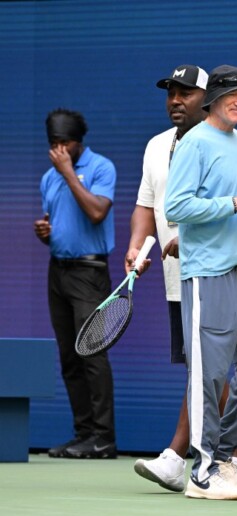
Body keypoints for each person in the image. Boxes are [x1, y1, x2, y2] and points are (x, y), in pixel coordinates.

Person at [125, 65, 237, 493]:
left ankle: (194, 457)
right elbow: (148, 205)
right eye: (170, 93)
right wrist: (136, 244)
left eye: (185, 93)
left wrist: (191, 234)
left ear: (208, 97)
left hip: (219, 267)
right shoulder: (156, 146)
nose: (175, 100)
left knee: (211, 368)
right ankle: (213, 457)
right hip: (175, 273)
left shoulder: (231, 142)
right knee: (202, 368)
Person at [165, 64, 237, 500]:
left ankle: (223, 453)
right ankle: (202, 471)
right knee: (209, 376)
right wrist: (236, 202)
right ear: (212, 99)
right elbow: (177, 207)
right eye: (232, 95)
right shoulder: (194, 143)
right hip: (207, 274)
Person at [33, 109, 118, 459]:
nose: (59, 151)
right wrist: (46, 233)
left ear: (78, 142)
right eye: (53, 144)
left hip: (89, 272)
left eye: (65, 143)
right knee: (69, 357)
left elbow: (97, 212)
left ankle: (103, 438)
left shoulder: (101, 168)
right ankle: (83, 434)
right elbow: (60, 224)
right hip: (59, 271)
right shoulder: (47, 178)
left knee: (92, 355)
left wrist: (69, 174)